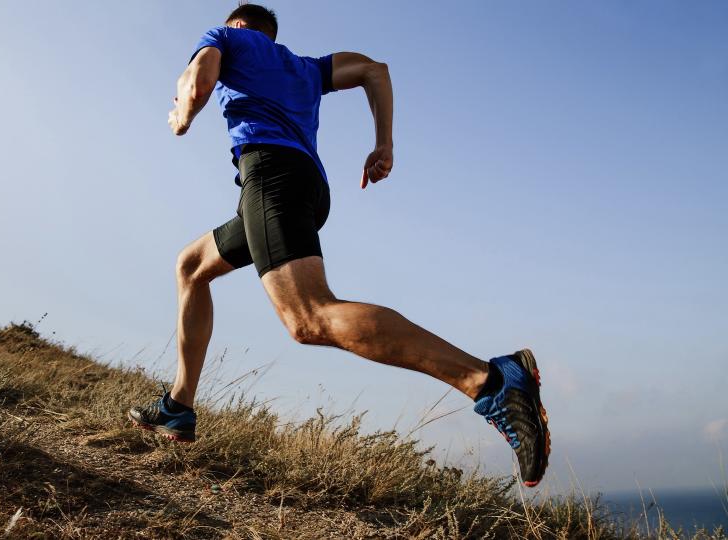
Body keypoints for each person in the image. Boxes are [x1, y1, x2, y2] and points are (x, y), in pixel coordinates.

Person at [129, 3, 550, 487]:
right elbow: (375, 70)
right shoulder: (307, 68)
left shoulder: (227, 37)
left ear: (239, 26)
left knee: (308, 318)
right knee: (191, 266)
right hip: (303, 187)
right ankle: (179, 406)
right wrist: (384, 142)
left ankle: (490, 381)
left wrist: (182, 113)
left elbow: (197, 81)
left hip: (272, 180)